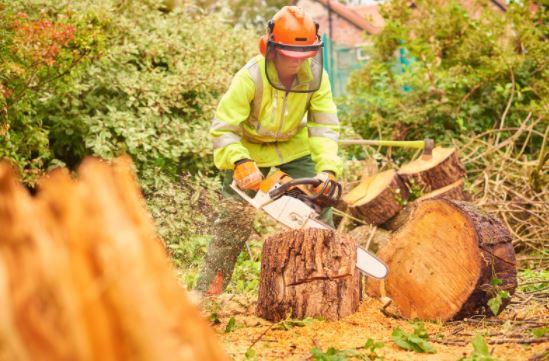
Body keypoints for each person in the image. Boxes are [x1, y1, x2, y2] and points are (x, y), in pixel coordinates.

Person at [195, 6, 342, 295]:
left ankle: (330, 286)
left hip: (294, 150)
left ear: (314, 51)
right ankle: (206, 292)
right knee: (233, 223)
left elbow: (324, 127)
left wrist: (328, 169)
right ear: (270, 48)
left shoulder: (317, 76)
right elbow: (223, 128)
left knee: (319, 211)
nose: (295, 63)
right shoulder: (250, 77)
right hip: (249, 152)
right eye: (289, 56)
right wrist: (239, 160)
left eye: (303, 56)